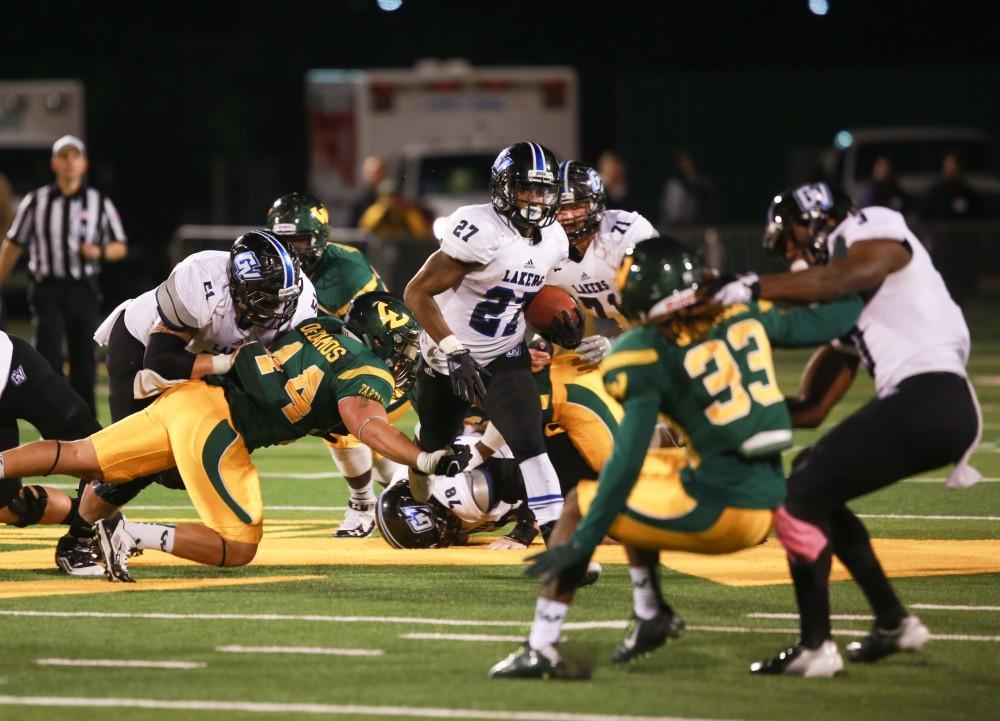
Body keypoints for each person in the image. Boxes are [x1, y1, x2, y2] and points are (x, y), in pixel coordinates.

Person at [488, 236, 862, 679]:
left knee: (579, 504)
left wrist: (580, 542)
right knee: (655, 475)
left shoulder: (641, 350)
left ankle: (542, 646)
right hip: (773, 499)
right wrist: (858, 283)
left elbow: (623, 466)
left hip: (719, 511)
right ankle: (651, 613)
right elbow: (832, 319)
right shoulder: (741, 314)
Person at [712, 182, 982, 676]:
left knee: (798, 497)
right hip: (926, 404)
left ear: (816, 219)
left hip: (932, 396)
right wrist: (726, 415)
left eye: (792, 240)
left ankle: (816, 646)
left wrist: (751, 287)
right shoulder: (852, 302)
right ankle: (892, 621)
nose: (792, 255)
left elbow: (844, 275)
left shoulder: (869, 227)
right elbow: (812, 408)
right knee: (813, 479)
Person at [0, 294, 460, 582]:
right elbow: (365, 424)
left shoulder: (319, 326)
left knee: (81, 455)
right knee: (238, 546)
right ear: (382, 342)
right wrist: (422, 459)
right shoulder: (368, 372)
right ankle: (132, 536)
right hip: (221, 428)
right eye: (401, 348)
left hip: (187, 397)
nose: (404, 360)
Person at [51, 229, 319, 575]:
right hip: (141, 349)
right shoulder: (202, 278)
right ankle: (77, 539)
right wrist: (227, 365)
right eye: (267, 298)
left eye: (284, 298)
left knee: (181, 470)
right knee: (130, 460)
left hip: (208, 365)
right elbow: (161, 359)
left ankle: (108, 527)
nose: (280, 309)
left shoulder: (300, 299)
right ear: (238, 287)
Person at [404, 141, 582, 539]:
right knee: (434, 446)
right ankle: (416, 467)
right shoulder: (480, 229)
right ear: (503, 188)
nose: (535, 199)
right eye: (525, 188)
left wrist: (551, 333)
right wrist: (454, 352)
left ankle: (557, 537)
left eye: (542, 190)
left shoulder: (553, 238)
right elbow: (417, 292)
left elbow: (532, 291)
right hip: (445, 355)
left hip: (504, 351)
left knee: (528, 437)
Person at [266, 192, 408, 538]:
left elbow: (365, 338)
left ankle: (364, 505)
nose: (291, 248)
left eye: (300, 240)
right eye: (283, 240)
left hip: (385, 364)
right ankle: (404, 496)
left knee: (339, 419)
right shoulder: (274, 267)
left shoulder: (346, 272)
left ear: (319, 237)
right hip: (339, 358)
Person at [0, 135, 127, 414]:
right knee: (48, 354)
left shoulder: (98, 203)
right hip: (47, 289)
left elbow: (119, 246)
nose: (69, 163)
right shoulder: (36, 202)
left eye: (74, 157)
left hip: (83, 289)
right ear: (54, 163)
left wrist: (99, 252)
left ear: (84, 164)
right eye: (64, 157)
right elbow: (13, 243)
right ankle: (51, 414)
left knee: (83, 357)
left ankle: (84, 419)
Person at [0, 329, 104, 574]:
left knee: (96, 450)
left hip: (14, 365)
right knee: (8, 506)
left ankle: (80, 540)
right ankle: (92, 519)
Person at [547, 160, 655, 356]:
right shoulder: (544, 250)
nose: (568, 216)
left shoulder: (625, 234)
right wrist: (543, 347)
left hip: (666, 328)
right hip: (630, 333)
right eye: (560, 208)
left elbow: (659, 308)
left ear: (595, 203)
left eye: (577, 205)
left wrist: (618, 344)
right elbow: (548, 318)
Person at [357, 179, 433, 241]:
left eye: (395, 196)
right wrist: (382, 211)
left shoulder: (406, 212)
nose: (392, 201)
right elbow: (365, 230)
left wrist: (406, 212)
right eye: (388, 197)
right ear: (380, 198)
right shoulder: (374, 211)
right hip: (377, 250)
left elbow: (422, 233)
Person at [660, 148, 717, 229]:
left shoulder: (702, 182)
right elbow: (672, 215)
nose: (686, 165)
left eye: (688, 161)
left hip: (698, 227)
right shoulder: (673, 185)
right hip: (675, 229)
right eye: (682, 162)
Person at [349, 155, 387, 228]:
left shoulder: (392, 199)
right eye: (373, 174)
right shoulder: (360, 201)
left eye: (379, 173)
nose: (376, 177)